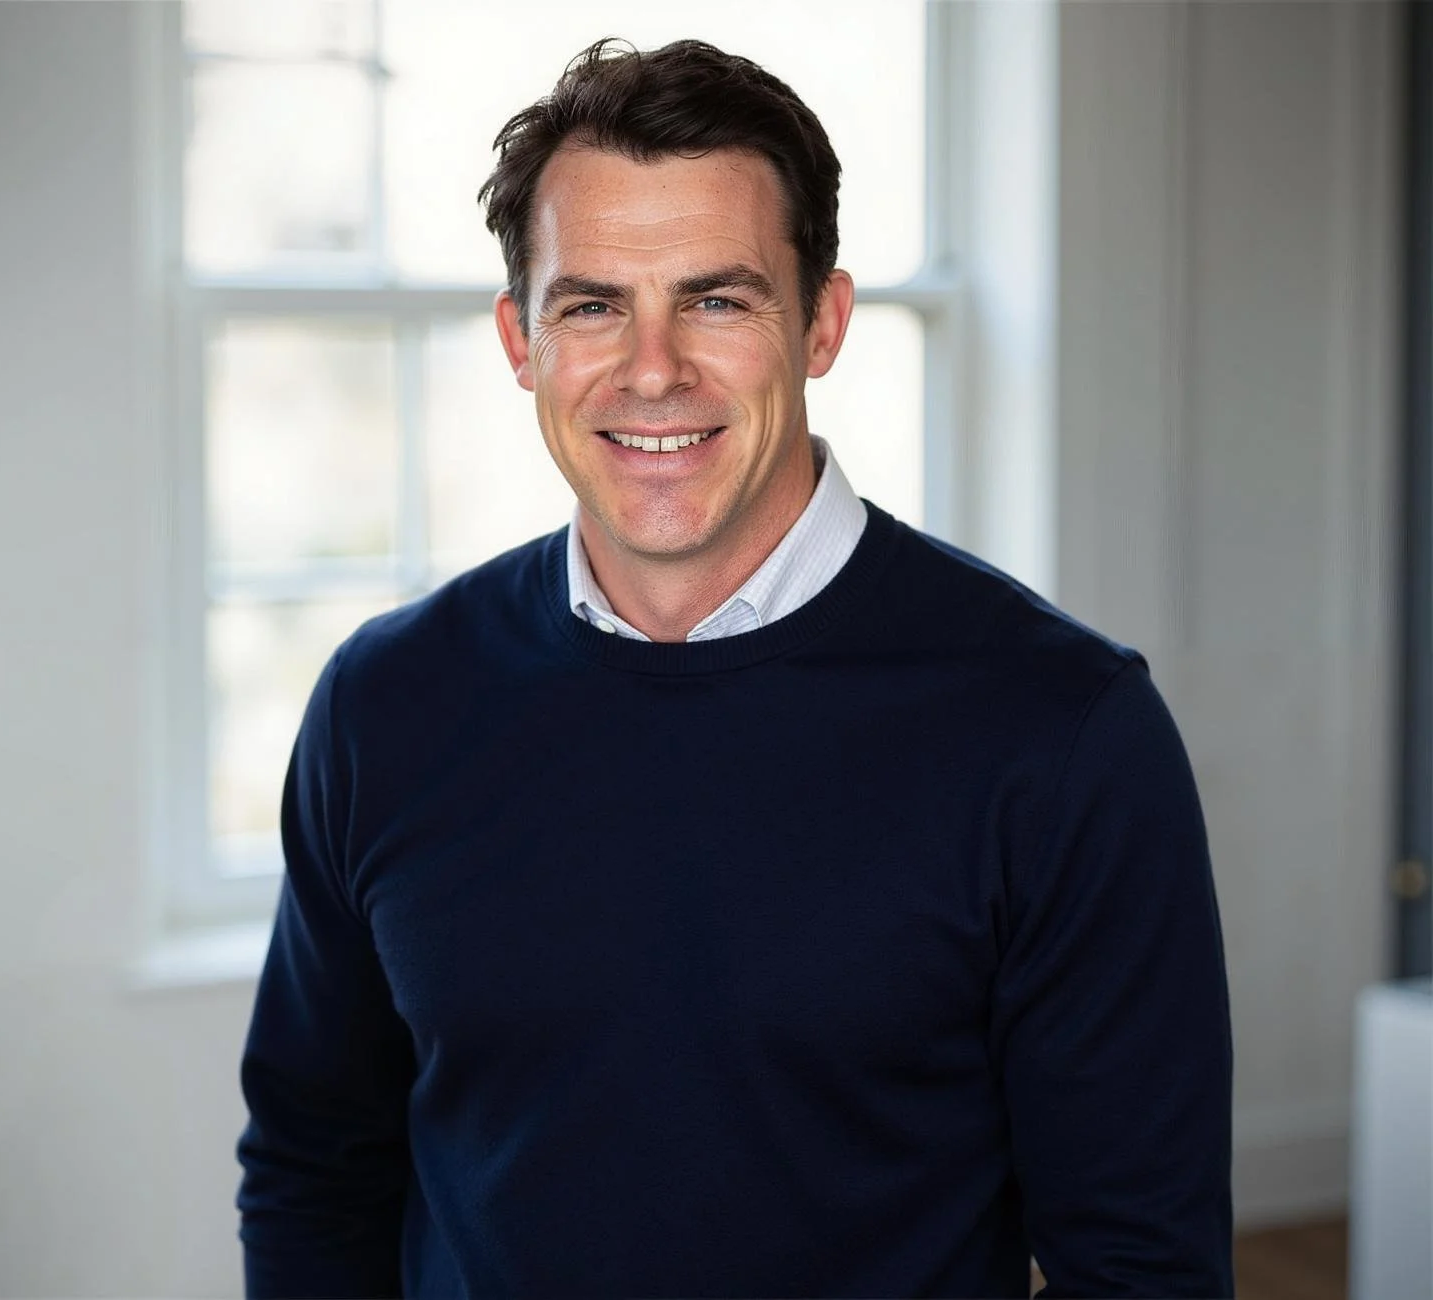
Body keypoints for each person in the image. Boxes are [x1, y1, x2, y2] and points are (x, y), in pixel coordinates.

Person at [236, 37, 1234, 1300]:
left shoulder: (1063, 732)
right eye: (592, 305)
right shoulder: (383, 704)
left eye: (717, 300)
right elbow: (313, 1168)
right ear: (519, 339)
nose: (653, 368)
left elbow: (1140, 1266)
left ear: (821, 322)